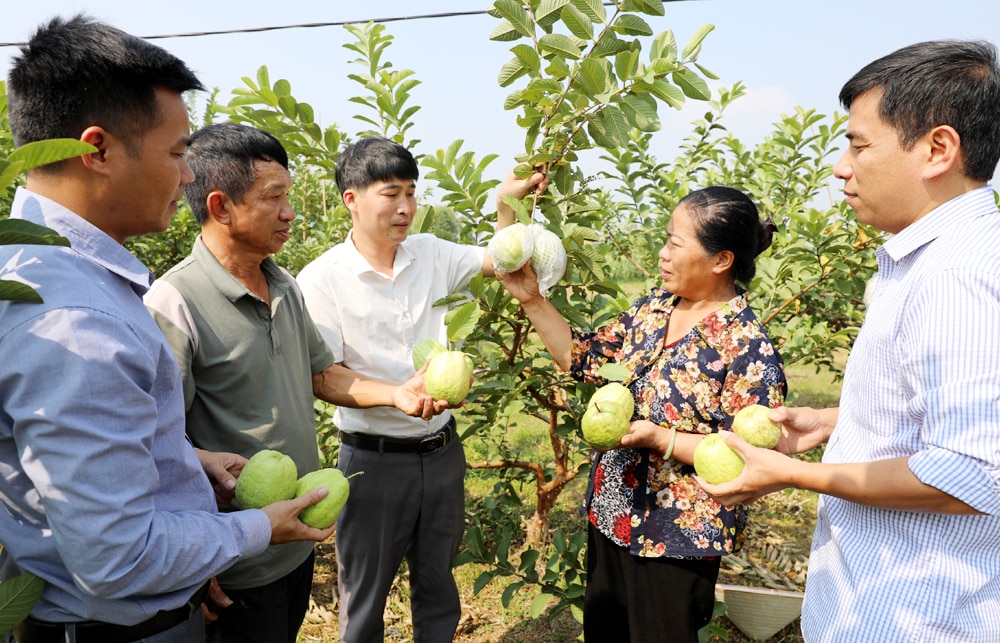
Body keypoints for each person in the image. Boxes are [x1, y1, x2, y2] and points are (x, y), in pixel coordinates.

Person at [0, 15, 337, 642]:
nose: (188, 176)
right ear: (96, 150)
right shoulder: (78, 319)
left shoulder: (45, 273)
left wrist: (185, 459)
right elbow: (117, 556)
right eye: (179, 153)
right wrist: (259, 528)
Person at [697, 40, 1000, 642]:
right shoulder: (928, 263)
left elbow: (972, 473)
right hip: (878, 598)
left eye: (859, 144)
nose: (842, 166)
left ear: (938, 149)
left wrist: (789, 473)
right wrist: (837, 420)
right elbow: (954, 415)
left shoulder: (957, 276)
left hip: (915, 617)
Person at [143, 122, 448, 642]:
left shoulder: (283, 283)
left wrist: (395, 394)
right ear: (221, 208)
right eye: (275, 198)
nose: (290, 213)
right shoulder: (174, 303)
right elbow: (156, 443)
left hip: (294, 541)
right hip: (232, 556)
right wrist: (196, 560)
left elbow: (322, 374)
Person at [496, 186, 786, 642]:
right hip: (612, 512)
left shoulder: (748, 347)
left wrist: (662, 439)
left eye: (676, 243)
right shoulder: (654, 308)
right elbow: (582, 356)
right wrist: (532, 299)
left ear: (720, 260)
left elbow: (752, 456)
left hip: (676, 538)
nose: (663, 253)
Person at [295, 136, 547, 642]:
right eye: (391, 194)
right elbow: (325, 376)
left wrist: (505, 205)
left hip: (442, 451)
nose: (406, 208)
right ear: (352, 198)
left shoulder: (431, 254)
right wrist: (396, 395)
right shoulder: (322, 279)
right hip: (372, 461)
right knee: (364, 596)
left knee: (438, 585)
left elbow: (506, 261)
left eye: (411, 193)